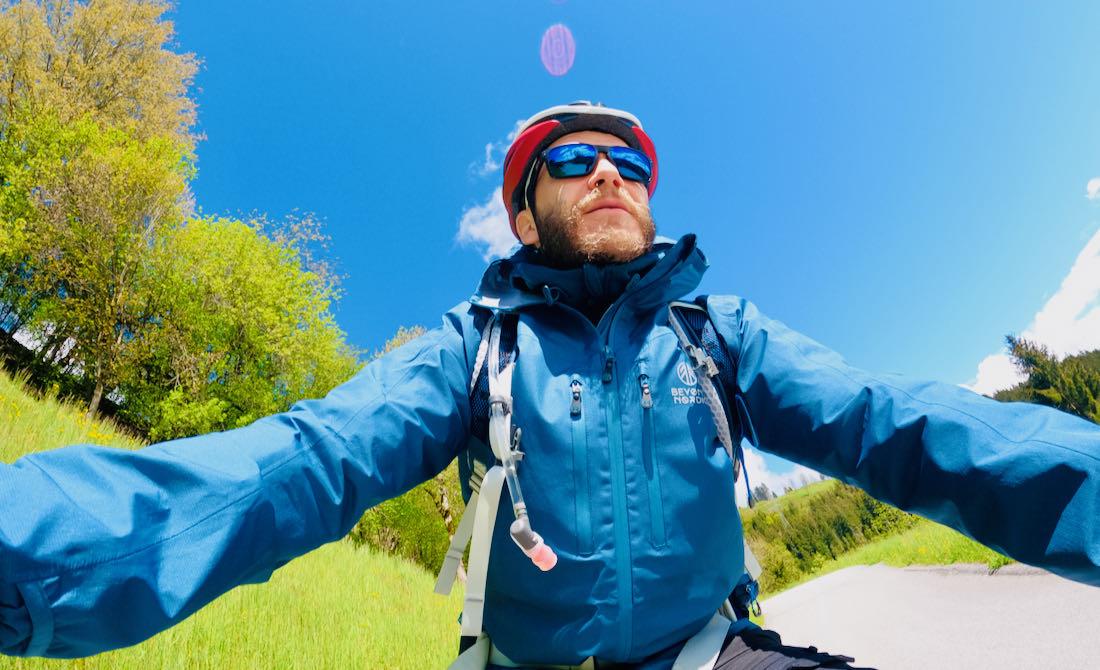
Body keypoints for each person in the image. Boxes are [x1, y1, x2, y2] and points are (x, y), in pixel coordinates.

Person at [0, 101, 1097, 669]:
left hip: (709, 657)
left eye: (626, 162)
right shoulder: (472, 349)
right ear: (525, 217)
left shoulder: (717, 335)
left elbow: (894, 423)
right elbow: (307, 461)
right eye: (571, 161)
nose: (607, 171)